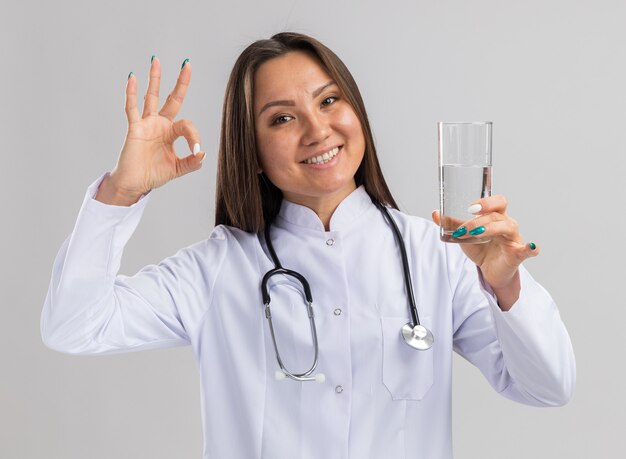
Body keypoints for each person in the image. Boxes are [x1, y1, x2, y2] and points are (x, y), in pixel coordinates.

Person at [41, 32, 575, 459]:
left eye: (328, 100)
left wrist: (505, 284)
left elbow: (548, 386)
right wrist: (121, 192)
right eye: (282, 118)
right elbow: (74, 325)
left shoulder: (437, 255)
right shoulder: (217, 268)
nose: (318, 130)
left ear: (357, 113)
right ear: (250, 152)